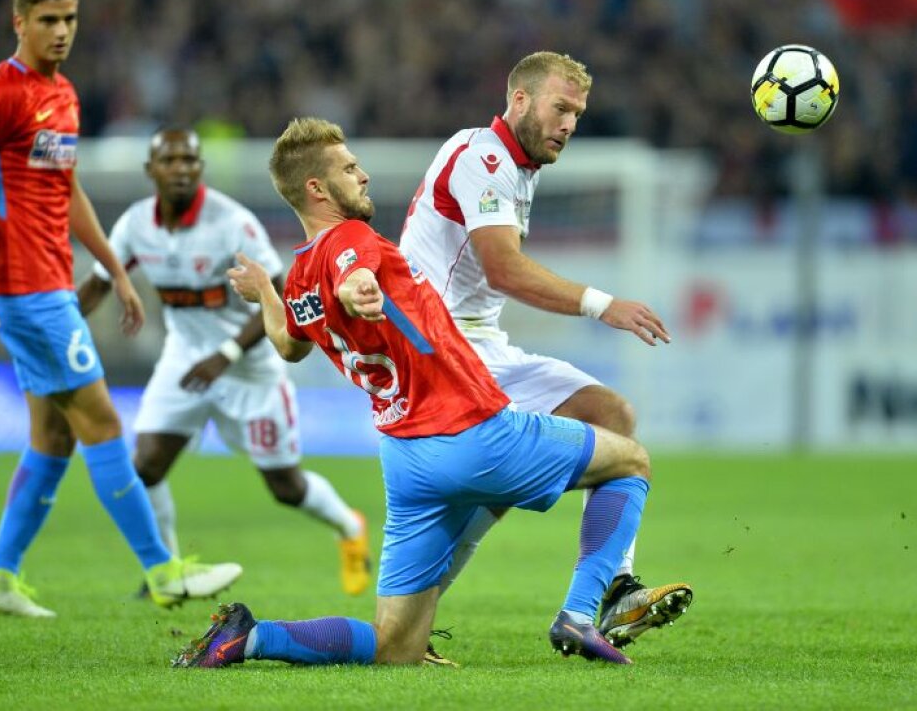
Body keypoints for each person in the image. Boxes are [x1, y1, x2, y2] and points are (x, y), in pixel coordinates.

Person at [174, 117, 660, 668]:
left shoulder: (300, 275)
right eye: (348, 167)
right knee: (630, 459)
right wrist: (359, 293)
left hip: (407, 461)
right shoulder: (351, 242)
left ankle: (250, 637)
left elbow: (288, 344)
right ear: (316, 188)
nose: (363, 174)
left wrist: (264, 289)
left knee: (394, 646)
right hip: (473, 430)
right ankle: (580, 613)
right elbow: (354, 277)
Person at [0, 0, 240, 617]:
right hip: (24, 290)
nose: (62, 31)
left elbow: (65, 191)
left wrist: (115, 268)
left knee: (53, 437)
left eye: (69, 19)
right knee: (101, 421)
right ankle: (163, 571)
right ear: (19, 22)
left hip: (53, 285)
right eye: (48, 20)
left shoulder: (64, 95)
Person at [397, 51, 690, 647]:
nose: (569, 125)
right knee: (587, 440)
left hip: (477, 347)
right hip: (443, 350)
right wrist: (601, 303)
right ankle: (594, 602)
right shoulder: (483, 156)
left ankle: (609, 593)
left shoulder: (516, 165)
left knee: (609, 417)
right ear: (521, 100)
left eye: (578, 114)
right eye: (561, 108)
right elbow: (503, 270)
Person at [76, 126, 371, 595]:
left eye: (189, 161)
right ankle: (165, 571)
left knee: (285, 487)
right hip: (185, 362)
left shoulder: (232, 223)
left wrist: (227, 353)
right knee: (146, 465)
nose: (180, 169)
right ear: (151, 170)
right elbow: (97, 283)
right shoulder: (135, 225)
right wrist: (56, 327)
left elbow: (279, 293)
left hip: (250, 369)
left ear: (200, 169)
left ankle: (350, 527)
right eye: (169, 161)